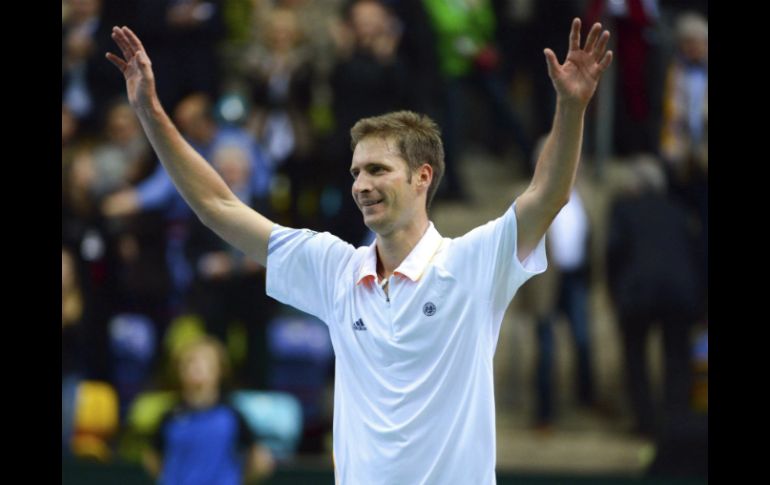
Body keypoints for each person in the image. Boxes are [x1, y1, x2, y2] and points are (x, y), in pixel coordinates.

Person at [107, 18, 612, 484]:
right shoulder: (333, 268)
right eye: (355, 172)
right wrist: (150, 112)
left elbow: (548, 194)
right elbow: (217, 205)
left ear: (422, 177)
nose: (361, 185)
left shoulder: (471, 263)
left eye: (377, 170)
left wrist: (570, 108)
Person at [143, 336, 275, 484]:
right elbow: (152, 458)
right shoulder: (170, 417)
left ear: (219, 370)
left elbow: (261, 460)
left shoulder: (232, 416)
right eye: (189, 362)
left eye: (204, 362)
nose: (196, 368)